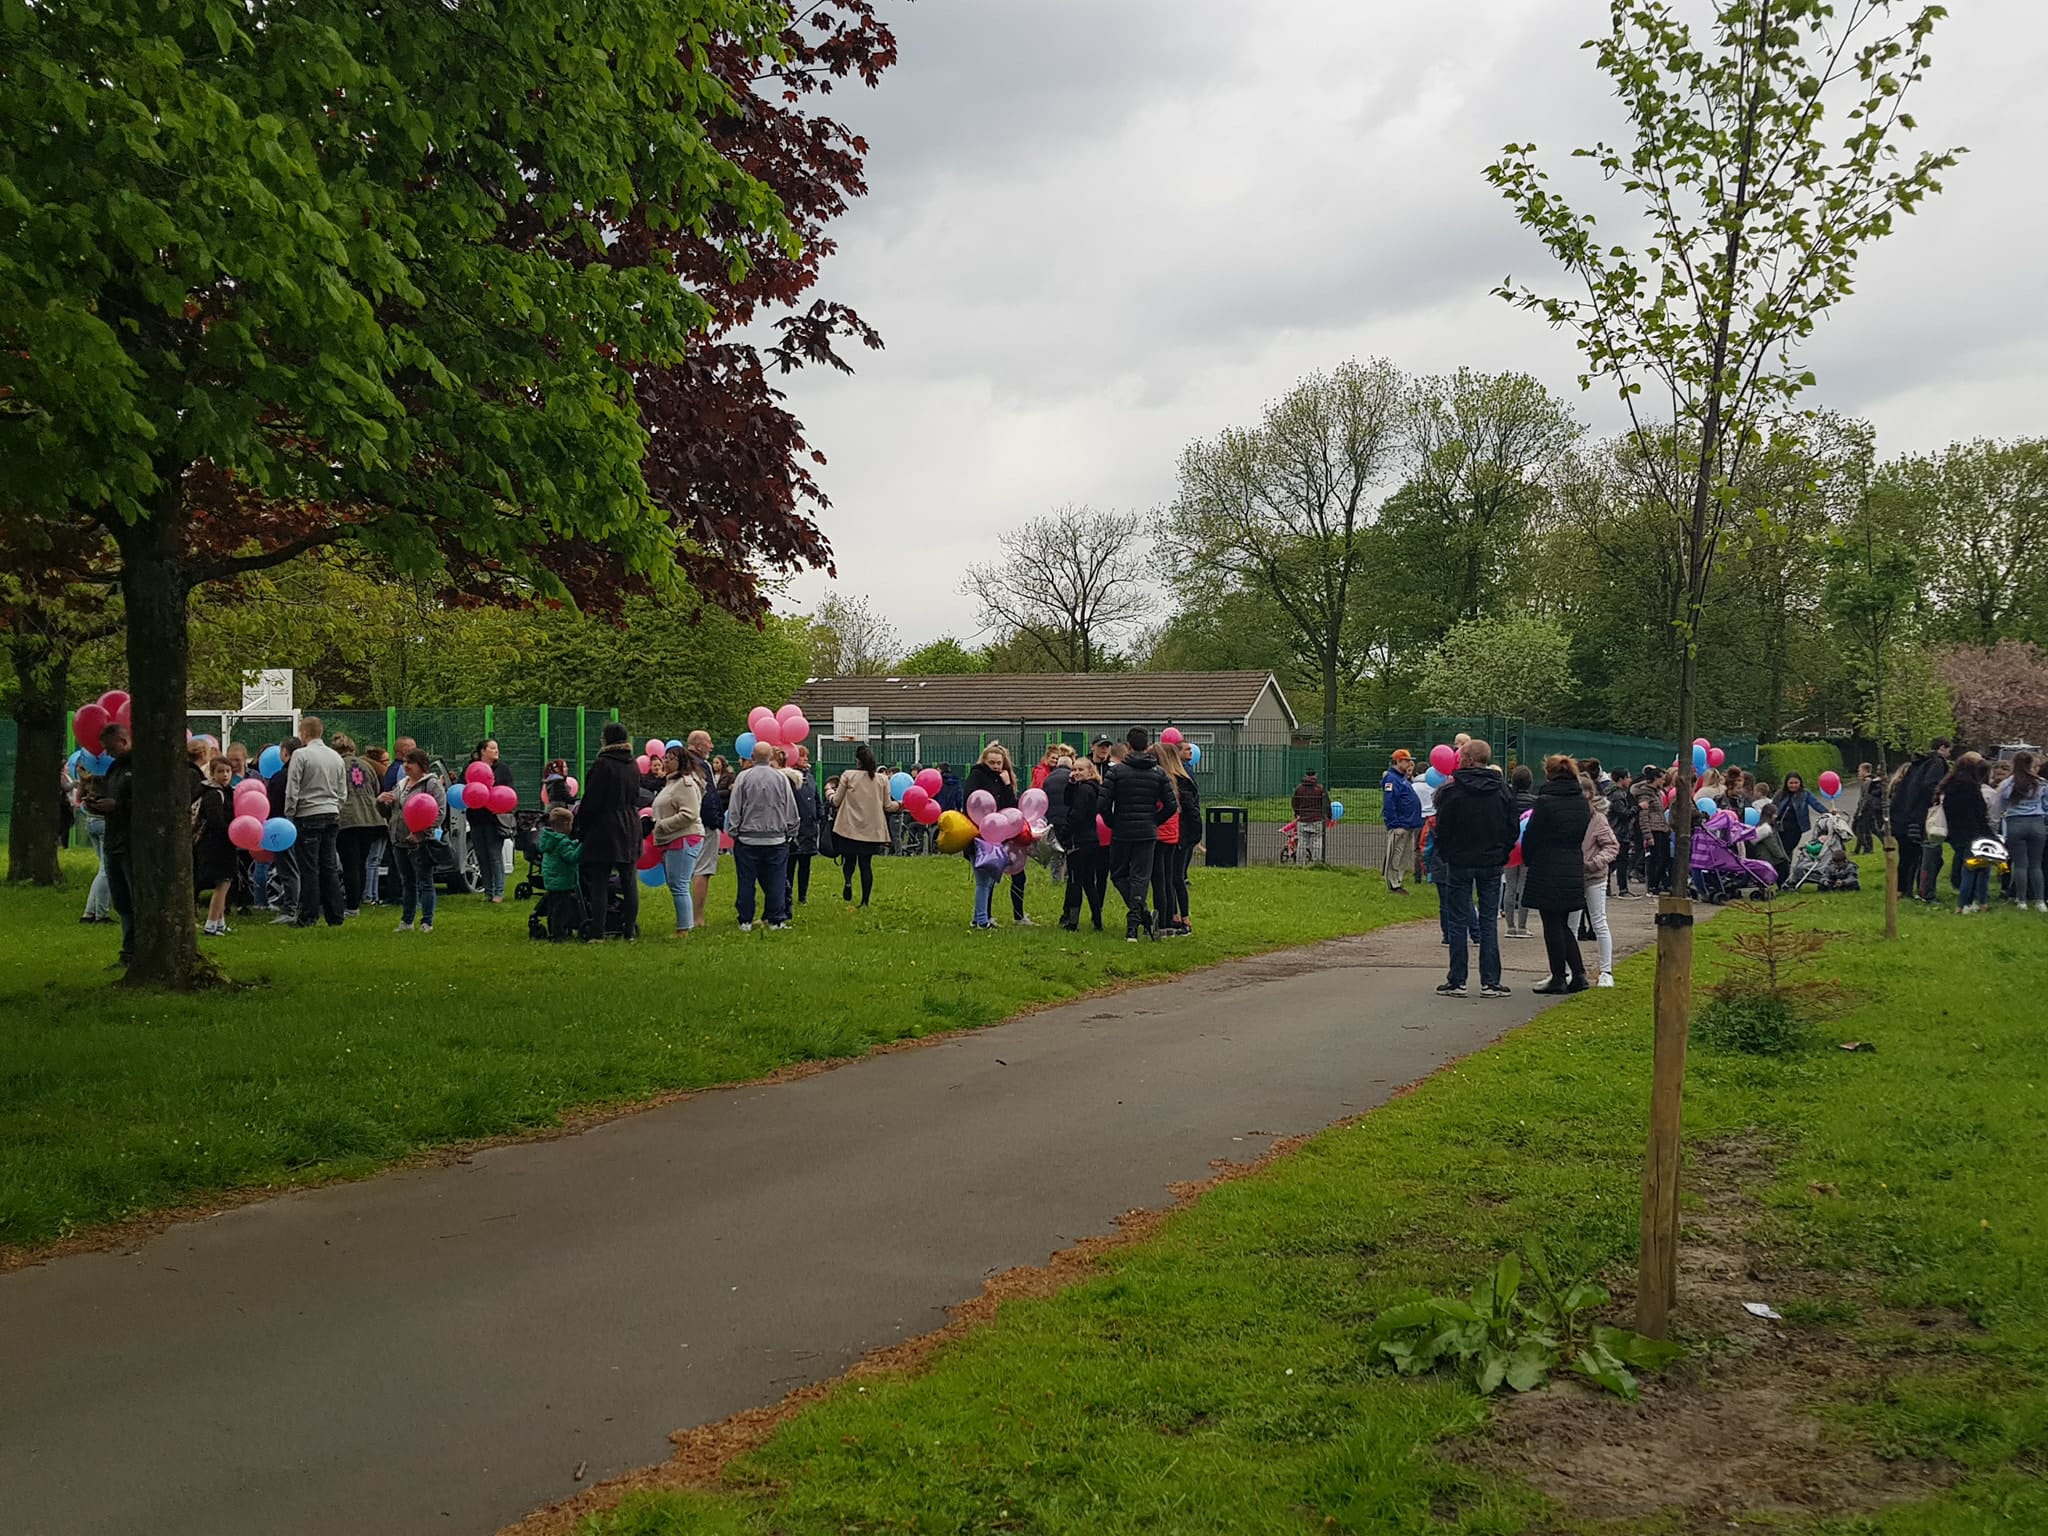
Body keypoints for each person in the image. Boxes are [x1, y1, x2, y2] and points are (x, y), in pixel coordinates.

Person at [1428, 739, 1517, 998]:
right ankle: (1490, 981)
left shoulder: (1452, 791)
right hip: (1490, 861)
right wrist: (1502, 852)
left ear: (1466, 759)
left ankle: (1457, 980)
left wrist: (1447, 853)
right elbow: (1511, 826)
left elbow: (1441, 828)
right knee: (1488, 921)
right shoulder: (1501, 790)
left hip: (1459, 861)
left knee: (1457, 921)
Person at [1522, 754, 1594, 994]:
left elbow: (1532, 835)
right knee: (1563, 923)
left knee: (1552, 923)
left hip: (1547, 863)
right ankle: (1579, 973)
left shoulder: (1545, 801)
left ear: (1549, 773)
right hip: (1572, 861)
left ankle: (1558, 976)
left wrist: (1528, 859)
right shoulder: (1582, 802)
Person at [1101, 726, 1174, 941]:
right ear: (1147, 746)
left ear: (1128, 746)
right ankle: (1136, 921)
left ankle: (1138, 918)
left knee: (1118, 874)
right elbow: (1170, 805)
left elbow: (1103, 804)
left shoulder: (1116, 772)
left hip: (1122, 831)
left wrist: (1113, 822)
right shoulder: (1158, 773)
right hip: (1147, 832)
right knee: (1141, 877)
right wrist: (1154, 821)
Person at [575, 723, 642, 941]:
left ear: (607, 740)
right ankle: (629, 930)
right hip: (630, 825)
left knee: (599, 882)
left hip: (605, 827)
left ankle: (597, 932)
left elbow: (591, 801)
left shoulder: (603, 765)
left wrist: (579, 828)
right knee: (629, 881)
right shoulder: (633, 765)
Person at [726, 743, 799, 931]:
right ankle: (776, 919)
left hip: (748, 838)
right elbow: (790, 808)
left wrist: (734, 832)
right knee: (776, 880)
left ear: (752, 756)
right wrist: (790, 832)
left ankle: (745, 920)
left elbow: (735, 808)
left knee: (746, 881)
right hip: (776, 838)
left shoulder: (743, 778)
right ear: (770, 757)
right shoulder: (781, 779)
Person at [284, 716, 347, 928]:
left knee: (309, 868)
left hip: (308, 813)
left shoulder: (301, 755)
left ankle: (308, 915)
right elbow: (342, 791)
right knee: (328, 865)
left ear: (304, 733)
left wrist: (290, 812)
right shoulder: (336, 757)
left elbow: (293, 787)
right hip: (331, 813)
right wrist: (335, 807)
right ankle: (335, 914)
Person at [966, 742, 1031, 923]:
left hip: (999, 834)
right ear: (984, 761)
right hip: (980, 834)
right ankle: (981, 919)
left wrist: (1007, 784)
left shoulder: (1002, 780)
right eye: (992, 762)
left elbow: (1010, 806)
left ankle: (982, 918)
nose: (995, 766)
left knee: (989, 880)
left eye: (998, 763)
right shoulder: (977, 776)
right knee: (984, 881)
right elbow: (971, 801)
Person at [90, 723, 136, 965]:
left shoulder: (138, 766)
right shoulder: (115, 768)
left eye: (109, 748)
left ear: (122, 741)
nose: (107, 753)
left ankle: (137, 948)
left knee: (134, 896)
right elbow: (111, 796)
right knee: (121, 899)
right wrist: (95, 803)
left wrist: (117, 806)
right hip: (113, 839)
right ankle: (127, 950)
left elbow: (143, 803)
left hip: (131, 841)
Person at [828, 744, 894, 906]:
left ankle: (848, 881)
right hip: (871, 830)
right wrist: (901, 805)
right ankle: (865, 901)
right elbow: (887, 806)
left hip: (849, 827)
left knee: (849, 859)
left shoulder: (848, 775)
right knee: (866, 864)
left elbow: (836, 801)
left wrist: (828, 791)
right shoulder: (882, 779)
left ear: (857, 761)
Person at [388, 748, 445, 933]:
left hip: (420, 842)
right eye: (404, 762)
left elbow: (439, 812)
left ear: (421, 765)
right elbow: (392, 811)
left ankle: (427, 921)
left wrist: (421, 833)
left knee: (425, 882)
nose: (406, 766)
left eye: (410, 762)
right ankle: (407, 921)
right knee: (407, 882)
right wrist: (381, 802)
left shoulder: (432, 784)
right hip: (399, 840)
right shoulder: (402, 784)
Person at [650, 744, 704, 936]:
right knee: (676, 884)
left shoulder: (685, 783)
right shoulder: (670, 783)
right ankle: (684, 924)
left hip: (684, 837)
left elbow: (690, 813)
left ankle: (684, 929)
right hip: (671, 838)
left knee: (679, 884)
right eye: (665, 758)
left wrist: (662, 825)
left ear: (681, 762)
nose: (665, 761)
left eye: (670, 758)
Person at [1892, 738, 1952, 900]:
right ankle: (1923, 890)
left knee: (1907, 855)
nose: (1949, 754)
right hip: (1920, 816)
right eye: (1948, 750)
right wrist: (1937, 800)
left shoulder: (1917, 764)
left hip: (1903, 815)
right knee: (1926, 856)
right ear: (1942, 748)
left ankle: (1902, 889)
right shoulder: (1937, 764)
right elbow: (1930, 786)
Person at [332, 734, 382, 918]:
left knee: (349, 863)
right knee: (361, 862)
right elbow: (376, 788)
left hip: (348, 818)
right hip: (370, 818)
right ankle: (357, 900)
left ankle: (352, 906)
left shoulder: (337, 765)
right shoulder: (366, 765)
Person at [1938, 752, 1994, 913]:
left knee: (1971, 867)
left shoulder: (1949, 786)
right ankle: (1964, 905)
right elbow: (1980, 811)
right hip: (1974, 832)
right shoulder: (1972, 787)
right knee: (1977, 869)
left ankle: (1976, 903)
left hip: (1956, 833)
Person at [1059, 756, 1109, 931]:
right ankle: (1097, 920)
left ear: (1090, 771)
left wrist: (1065, 833)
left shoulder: (1085, 790)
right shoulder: (1093, 788)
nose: (1076, 773)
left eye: (1081, 770)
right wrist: (1071, 784)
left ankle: (1072, 922)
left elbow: (1076, 814)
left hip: (1079, 840)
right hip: (1092, 839)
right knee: (1089, 881)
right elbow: (1068, 800)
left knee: (1075, 882)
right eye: (1074, 769)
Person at [1580, 774, 1620, 987]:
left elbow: (1612, 846)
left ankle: (1606, 971)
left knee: (1599, 922)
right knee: (1570, 924)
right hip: (1573, 876)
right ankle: (1571, 970)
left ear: (1587, 795)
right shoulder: (1571, 817)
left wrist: (1594, 863)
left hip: (1594, 876)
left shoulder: (1598, 819)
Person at [191, 753, 237, 937]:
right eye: (220, 771)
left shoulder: (226, 792)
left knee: (226, 882)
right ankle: (211, 924)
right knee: (223, 884)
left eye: (228, 771)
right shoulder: (213, 794)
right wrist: (231, 834)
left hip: (221, 843)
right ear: (212, 773)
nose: (225, 775)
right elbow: (216, 821)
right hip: (216, 845)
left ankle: (220, 923)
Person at [1995, 751, 2046, 912]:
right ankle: (2040, 901)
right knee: (2036, 865)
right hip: (2037, 823)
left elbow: (2000, 803)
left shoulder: (2009, 783)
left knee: (2020, 865)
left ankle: (2021, 900)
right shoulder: (2041, 783)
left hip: (2015, 822)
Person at [465, 739, 513, 904]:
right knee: (481, 856)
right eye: (492, 748)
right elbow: (463, 788)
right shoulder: (471, 767)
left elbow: (508, 791)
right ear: (482, 751)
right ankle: (488, 891)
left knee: (494, 855)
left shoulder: (502, 769)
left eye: (497, 748)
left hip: (494, 818)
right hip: (476, 818)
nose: (496, 751)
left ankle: (498, 892)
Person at [69, 742, 112, 926]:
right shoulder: (107, 778)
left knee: (102, 868)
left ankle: (89, 913)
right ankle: (100, 914)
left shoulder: (87, 777)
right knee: (106, 870)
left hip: (91, 821)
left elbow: (79, 800)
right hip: (104, 822)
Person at [685, 730, 724, 927]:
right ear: (699, 745)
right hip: (704, 824)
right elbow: (707, 797)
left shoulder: (685, 762)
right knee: (703, 869)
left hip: (689, 822)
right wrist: (716, 820)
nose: (711, 746)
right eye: (709, 742)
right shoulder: (700, 765)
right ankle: (697, 918)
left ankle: (688, 916)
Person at [1150, 746, 1185, 935]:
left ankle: (1162, 922)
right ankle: (1170, 919)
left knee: (1159, 880)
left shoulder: (1156, 778)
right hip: (1172, 833)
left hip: (1160, 833)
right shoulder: (1170, 778)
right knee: (1168, 877)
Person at [536, 805, 584, 941]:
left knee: (553, 907)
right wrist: (581, 846)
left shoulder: (551, 839)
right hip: (562, 880)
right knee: (562, 910)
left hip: (552, 879)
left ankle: (553, 930)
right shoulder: (562, 843)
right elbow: (572, 857)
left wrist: (574, 843)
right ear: (565, 825)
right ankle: (558, 934)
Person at [1502, 763, 1537, 937]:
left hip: (1509, 846)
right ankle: (1522, 926)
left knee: (1510, 886)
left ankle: (1509, 925)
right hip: (1527, 846)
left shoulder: (1506, 800)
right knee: (1524, 885)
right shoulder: (1535, 802)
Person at [1380, 750, 1422, 894]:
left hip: (1408, 823)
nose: (1409, 763)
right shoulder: (1392, 779)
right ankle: (1393, 884)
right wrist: (1394, 823)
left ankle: (1398, 881)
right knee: (1396, 855)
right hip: (1400, 824)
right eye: (1406, 760)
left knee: (1404, 856)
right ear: (1398, 761)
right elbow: (1389, 802)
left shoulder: (1402, 778)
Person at [1170, 741, 1201, 930]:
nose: (1190, 752)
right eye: (1187, 749)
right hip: (1182, 833)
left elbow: (1190, 806)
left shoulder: (1182, 776)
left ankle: (1182, 916)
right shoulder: (1183, 773)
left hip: (1180, 833)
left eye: (1191, 749)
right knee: (1176, 876)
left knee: (1175, 876)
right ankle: (1178, 915)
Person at [1634, 765, 1670, 896]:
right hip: (1653, 829)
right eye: (1661, 779)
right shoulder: (1646, 794)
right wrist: (1648, 835)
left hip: (1661, 828)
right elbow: (1644, 816)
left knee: (1664, 858)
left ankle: (1657, 882)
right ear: (1655, 779)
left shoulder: (1657, 793)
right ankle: (1652, 885)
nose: (1663, 782)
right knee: (1654, 859)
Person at [1042, 746, 1075, 883]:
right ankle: (1068, 877)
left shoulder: (1048, 779)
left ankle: (1056, 878)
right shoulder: (1072, 778)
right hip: (1069, 819)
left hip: (1053, 819)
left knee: (1056, 850)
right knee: (1069, 850)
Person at [1606, 770, 1638, 897]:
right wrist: (1638, 808)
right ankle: (1622, 889)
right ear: (1621, 779)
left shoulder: (1610, 792)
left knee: (1613, 861)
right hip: (1619, 832)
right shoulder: (1618, 795)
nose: (1630, 780)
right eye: (1628, 777)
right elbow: (1624, 814)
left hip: (1615, 830)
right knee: (1620, 861)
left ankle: (1609, 887)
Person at [1774, 772, 1829, 842]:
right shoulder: (1779, 794)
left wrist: (1828, 813)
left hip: (1796, 828)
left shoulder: (1805, 794)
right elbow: (1771, 807)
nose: (1793, 785)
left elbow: (1816, 805)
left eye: (1796, 783)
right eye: (1791, 783)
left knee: (1788, 849)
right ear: (1786, 783)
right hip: (1780, 828)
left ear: (1800, 783)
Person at [1291, 769, 1331, 863]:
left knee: (1302, 843)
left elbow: (1294, 802)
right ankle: (1317, 863)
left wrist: (1297, 813)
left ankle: (1300, 863)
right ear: (1315, 775)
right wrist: (1329, 815)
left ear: (1305, 775)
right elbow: (1327, 804)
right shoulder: (1320, 788)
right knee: (1317, 841)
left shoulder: (1299, 788)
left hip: (1303, 819)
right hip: (1317, 819)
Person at [1851, 762, 1885, 856]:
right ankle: (1863, 848)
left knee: (1859, 829)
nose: (1858, 773)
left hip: (1866, 809)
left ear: (1865, 771)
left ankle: (1867, 848)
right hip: (1869, 808)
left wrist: (1860, 811)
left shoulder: (1867, 782)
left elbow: (1865, 797)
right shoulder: (1870, 780)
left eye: (1859, 770)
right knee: (1872, 829)